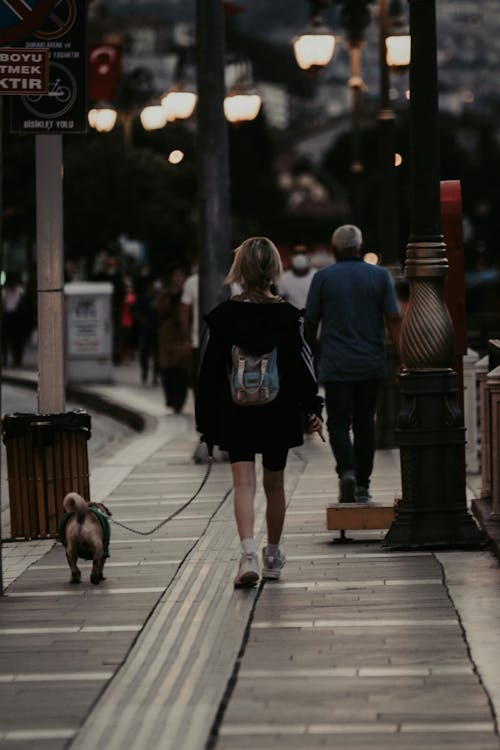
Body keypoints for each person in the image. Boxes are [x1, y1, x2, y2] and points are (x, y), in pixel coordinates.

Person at [195, 236, 324, 588]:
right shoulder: (287, 316)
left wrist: (206, 424)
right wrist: (313, 407)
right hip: (278, 408)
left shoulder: (223, 318)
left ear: (240, 272)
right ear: (273, 271)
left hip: (236, 410)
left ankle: (248, 552)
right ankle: (273, 555)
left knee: (242, 483)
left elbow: (208, 374)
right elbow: (302, 367)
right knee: (275, 484)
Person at [305, 224, 402, 504]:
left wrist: (311, 351)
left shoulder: (323, 278)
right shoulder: (380, 276)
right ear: (359, 247)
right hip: (370, 363)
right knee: (364, 424)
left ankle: (346, 470)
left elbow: (310, 322)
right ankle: (363, 485)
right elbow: (393, 319)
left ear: (334, 249)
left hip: (336, 364)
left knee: (337, 422)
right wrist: (404, 356)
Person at [156, 267, 191, 413]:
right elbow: (160, 309)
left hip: (184, 336)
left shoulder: (189, 294)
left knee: (182, 371)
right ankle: (171, 399)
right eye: (176, 276)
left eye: (181, 276)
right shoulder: (166, 295)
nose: (178, 279)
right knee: (168, 370)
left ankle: (179, 402)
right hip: (168, 337)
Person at [277, 244, 316, 310]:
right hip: (292, 318)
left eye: (303, 253)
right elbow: (281, 304)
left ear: (308, 255)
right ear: (291, 256)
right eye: (296, 253)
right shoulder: (283, 278)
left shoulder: (318, 276)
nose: (299, 256)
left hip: (314, 319)